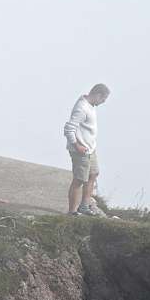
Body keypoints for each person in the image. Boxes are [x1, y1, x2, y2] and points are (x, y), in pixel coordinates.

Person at [63, 83, 110, 216]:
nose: (103, 102)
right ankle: (72, 212)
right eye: (103, 99)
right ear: (97, 95)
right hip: (80, 151)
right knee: (79, 180)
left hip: (90, 149)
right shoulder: (82, 107)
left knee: (93, 174)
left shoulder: (90, 105)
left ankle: (84, 206)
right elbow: (69, 129)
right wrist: (77, 145)